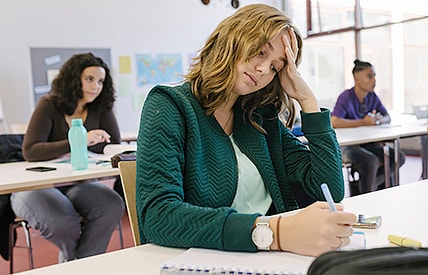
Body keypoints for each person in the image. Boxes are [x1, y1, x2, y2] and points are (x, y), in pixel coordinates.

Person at [136, 4, 356, 257]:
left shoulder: (260, 117)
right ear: (233, 39)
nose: (264, 69)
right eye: (260, 51)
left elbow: (327, 188)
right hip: (202, 260)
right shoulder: (170, 105)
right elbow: (158, 216)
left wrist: (307, 101)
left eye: (276, 67)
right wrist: (273, 232)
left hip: (271, 259)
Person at [10, 53, 125, 262]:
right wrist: (78, 141)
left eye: (101, 81)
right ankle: (81, 266)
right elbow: (31, 150)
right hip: (36, 184)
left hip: (75, 182)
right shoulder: (49, 105)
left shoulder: (100, 108)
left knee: (112, 205)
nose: (96, 87)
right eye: (89, 79)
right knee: (62, 220)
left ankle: (75, 265)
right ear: (74, 79)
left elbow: (112, 146)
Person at [330, 59, 405, 195]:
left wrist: (380, 120)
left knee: (397, 156)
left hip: (368, 144)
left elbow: (387, 116)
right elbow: (334, 121)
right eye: (369, 76)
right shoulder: (346, 97)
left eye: (374, 76)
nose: (374, 80)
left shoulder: (372, 96)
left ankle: (371, 186)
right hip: (348, 146)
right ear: (356, 79)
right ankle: (367, 194)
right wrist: (363, 122)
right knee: (370, 161)